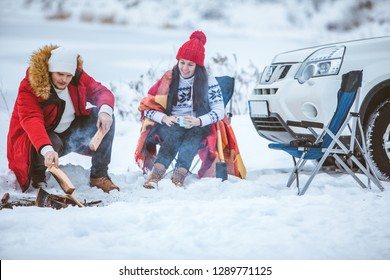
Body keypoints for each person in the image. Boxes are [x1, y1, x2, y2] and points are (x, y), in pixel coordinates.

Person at [7, 45, 120, 193]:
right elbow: (32, 120)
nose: (64, 80)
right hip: (36, 144)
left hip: (68, 136)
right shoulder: (30, 86)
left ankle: (99, 176)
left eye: (68, 75)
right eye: (60, 74)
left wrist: (105, 111)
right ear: (50, 70)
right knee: (52, 142)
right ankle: (37, 175)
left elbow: (101, 91)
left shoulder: (77, 77)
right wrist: (46, 149)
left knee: (104, 116)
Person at [135, 31, 225, 188]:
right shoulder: (169, 78)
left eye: (190, 64)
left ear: (198, 65)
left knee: (193, 133)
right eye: (182, 62)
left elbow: (219, 111)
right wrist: (165, 118)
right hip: (170, 123)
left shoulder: (208, 80)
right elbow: (146, 108)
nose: (185, 68)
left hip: (199, 124)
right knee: (174, 131)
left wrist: (198, 120)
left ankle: (179, 176)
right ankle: (156, 175)